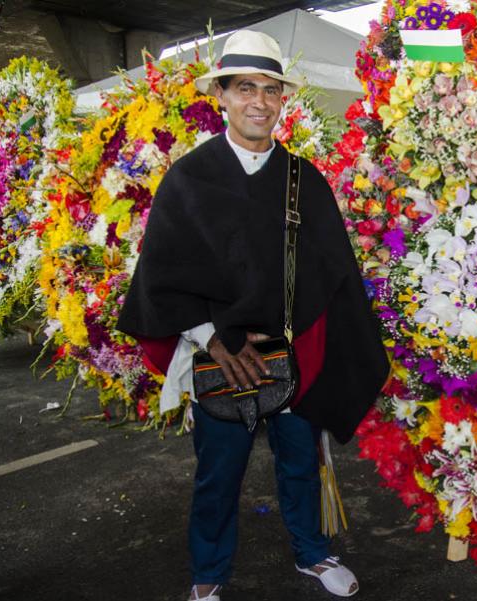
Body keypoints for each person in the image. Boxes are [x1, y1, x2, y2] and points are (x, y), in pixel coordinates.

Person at [116, 30, 389, 601]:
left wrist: (320, 346)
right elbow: (161, 280)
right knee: (218, 477)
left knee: (299, 464)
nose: (259, 102)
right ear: (222, 95)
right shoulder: (187, 180)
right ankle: (208, 573)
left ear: (281, 100)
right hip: (219, 362)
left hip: (290, 359)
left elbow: (331, 274)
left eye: (270, 89)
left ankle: (312, 553)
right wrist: (215, 341)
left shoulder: (303, 180)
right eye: (245, 88)